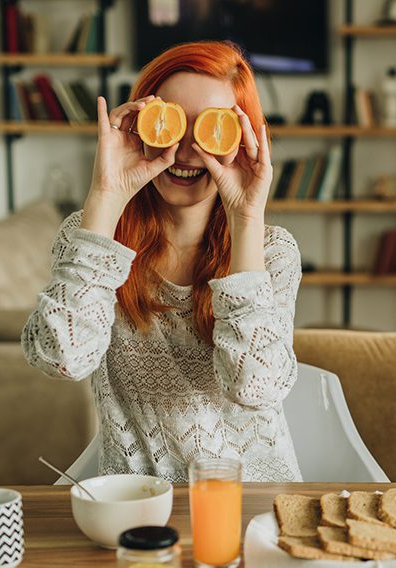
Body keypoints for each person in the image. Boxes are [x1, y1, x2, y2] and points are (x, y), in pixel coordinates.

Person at [23, 41, 302, 482]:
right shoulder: (91, 234)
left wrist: (247, 218)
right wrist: (105, 197)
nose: (188, 151)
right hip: (135, 502)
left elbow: (256, 387)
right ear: (140, 123)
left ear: (244, 138)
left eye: (212, 129)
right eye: (170, 124)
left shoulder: (272, 251)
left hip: (251, 504)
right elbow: (62, 358)